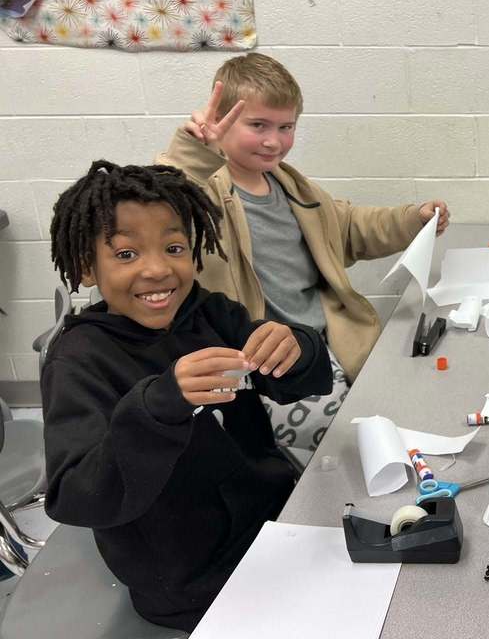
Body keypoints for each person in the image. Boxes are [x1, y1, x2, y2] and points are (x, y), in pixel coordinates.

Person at [42, 160, 332, 631]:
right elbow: (76, 495)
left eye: (173, 247)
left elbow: (296, 380)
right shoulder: (79, 360)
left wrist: (297, 348)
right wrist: (159, 405)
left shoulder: (209, 312)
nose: (157, 270)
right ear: (85, 267)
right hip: (186, 581)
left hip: (272, 526)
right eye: (126, 255)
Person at [157, 52, 449, 450]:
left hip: (324, 346)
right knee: (357, 445)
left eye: (285, 127)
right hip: (265, 362)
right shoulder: (204, 193)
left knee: (402, 409)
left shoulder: (290, 185)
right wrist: (193, 153)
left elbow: (347, 227)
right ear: (221, 124)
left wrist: (413, 218)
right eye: (257, 125)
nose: (273, 140)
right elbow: (159, 206)